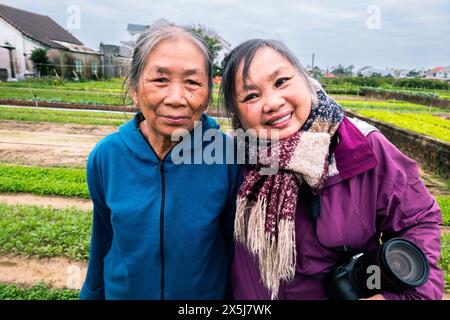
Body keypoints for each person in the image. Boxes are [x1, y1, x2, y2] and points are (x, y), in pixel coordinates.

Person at [220, 39, 444, 300]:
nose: (272, 102)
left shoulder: (362, 145)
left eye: (281, 82)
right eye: (251, 96)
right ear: (237, 114)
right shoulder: (232, 159)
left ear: (305, 79)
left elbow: (417, 221)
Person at [80, 24, 241, 300]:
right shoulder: (106, 157)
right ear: (134, 88)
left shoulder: (228, 158)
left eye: (192, 82)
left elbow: (234, 248)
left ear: (208, 91)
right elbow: (104, 240)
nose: (176, 98)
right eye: (160, 80)